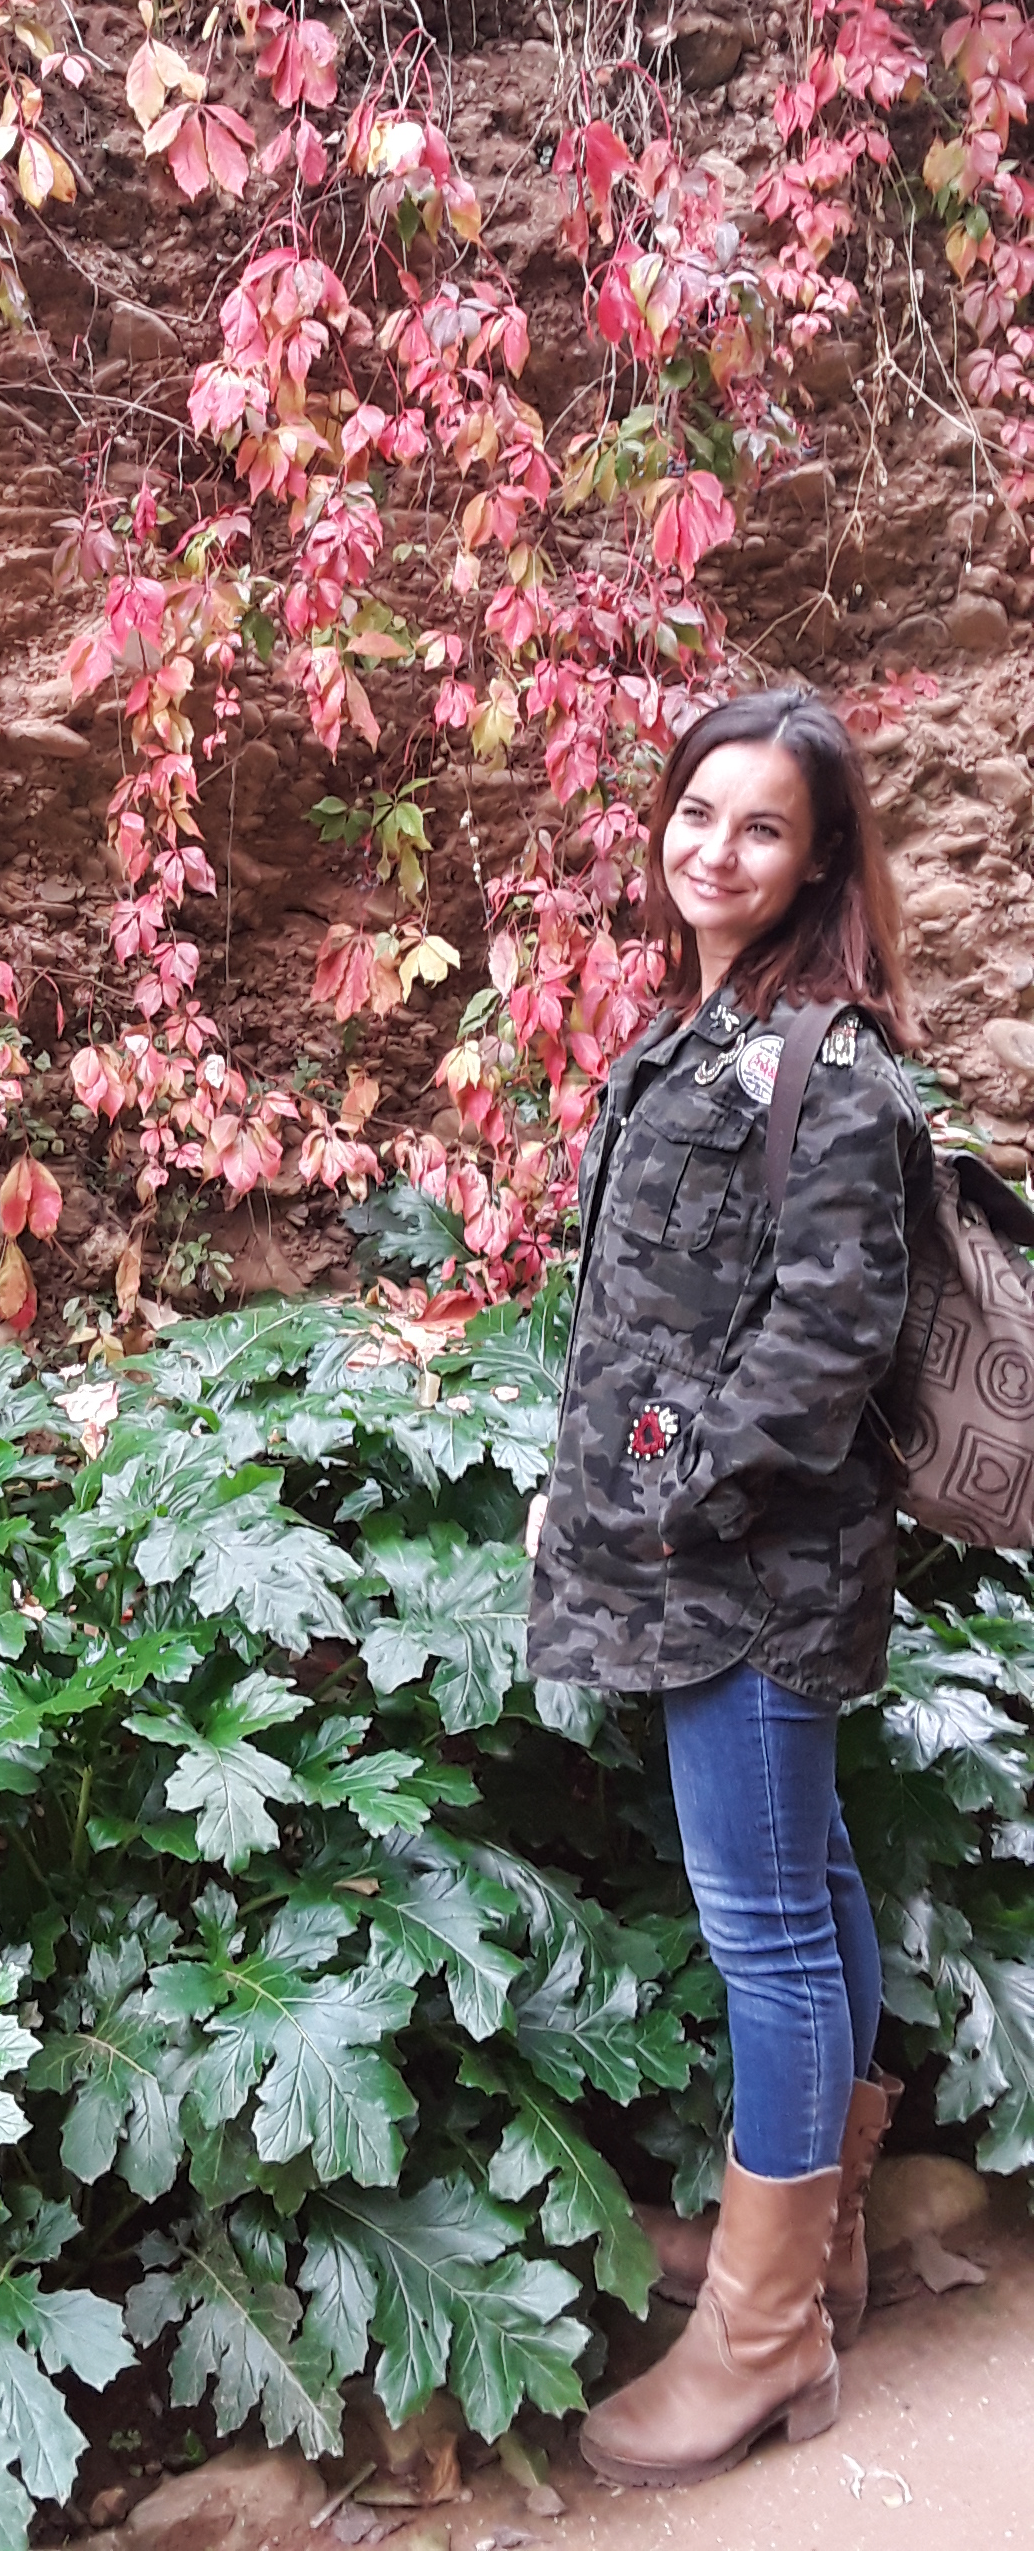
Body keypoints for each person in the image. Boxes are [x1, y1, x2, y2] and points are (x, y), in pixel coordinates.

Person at [525, 685, 934, 2493]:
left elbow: (822, 1345)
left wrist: (658, 1501)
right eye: (698, 811)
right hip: (703, 1553)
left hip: (752, 1573)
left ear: (819, 858)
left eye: (764, 826)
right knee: (811, 1882)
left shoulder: (827, 1071)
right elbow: (653, 1320)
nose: (717, 848)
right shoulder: (697, 1037)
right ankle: (817, 2250)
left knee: (764, 1925)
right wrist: (578, 1488)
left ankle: (765, 2336)